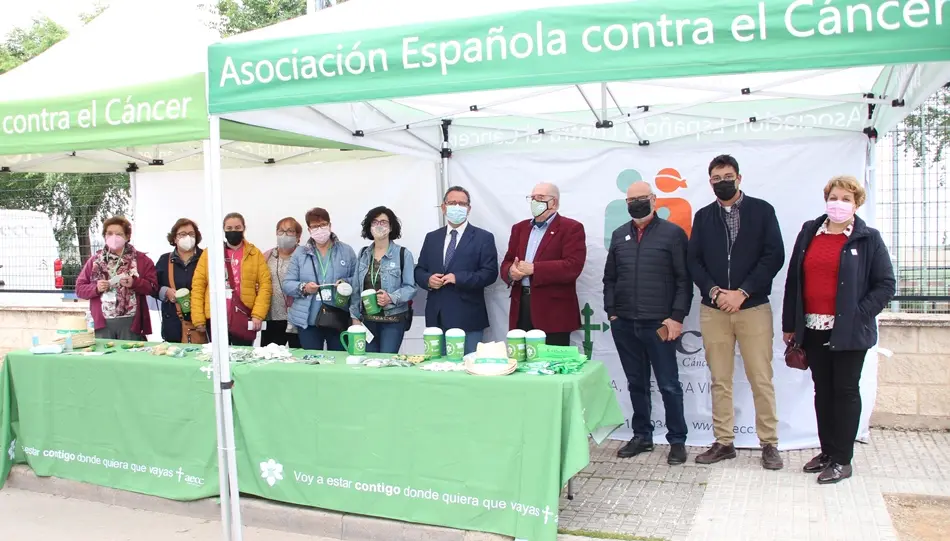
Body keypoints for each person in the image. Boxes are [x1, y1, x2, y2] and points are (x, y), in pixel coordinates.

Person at [782, 175, 895, 484]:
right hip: (813, 328)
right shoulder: (809, 232)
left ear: (857, 203)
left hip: (849, 331)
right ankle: (829, 451)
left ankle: (843, 460)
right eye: (834, 196)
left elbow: (886, 284)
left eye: (847, 198)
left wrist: (859, 314)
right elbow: (794, 279)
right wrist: (790, 325)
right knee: (823, 391)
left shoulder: (868, 238)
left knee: (845, 391)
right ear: (826, 199)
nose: (839, 203)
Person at [687, 154, 785, 470]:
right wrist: (716, 292)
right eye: (716, 178)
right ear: (710, 181)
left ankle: (769, 443)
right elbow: (693, 261)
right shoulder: (703, 217)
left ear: (739, 178)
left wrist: (743, 292)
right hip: (713, 309)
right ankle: (723, 441)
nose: (722, 182)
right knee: (720, 378)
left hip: (752, 307)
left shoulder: (762, 211)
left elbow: (774, 255)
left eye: (727, 176)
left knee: (761, 377)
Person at [604, 181, 692, 465]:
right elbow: (610, 278)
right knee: (636, 383)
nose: (636, 203)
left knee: (668, 384)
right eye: (631, 200)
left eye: (642, 198)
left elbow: (684, 280)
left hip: (659, 323)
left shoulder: (673, 234)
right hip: (625, 322)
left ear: (654, 200)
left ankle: (677, 440)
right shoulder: (619, 235)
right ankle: (642, 435)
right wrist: (612, 311)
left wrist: (677, 317)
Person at [500, 182, 586, 346]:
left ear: (554, 202)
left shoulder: (571, 228)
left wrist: (535, 269)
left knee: (552, 365)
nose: (535, 202)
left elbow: (573, 266)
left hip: (554, 312)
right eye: (532, 198)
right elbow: (508, 261)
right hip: (522, 307)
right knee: (522, 362)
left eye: (540, 198)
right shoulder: (519, 228)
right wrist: (511, 271)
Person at [415, 186, 498, 354]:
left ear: (469, 208)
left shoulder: (483, 238)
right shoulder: (432, 237)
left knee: (468, 369)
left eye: (462, 203)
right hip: (436, 317)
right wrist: (428, 280)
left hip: (468, 317)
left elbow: (490, 274)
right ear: (444, 207)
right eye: (452, 203)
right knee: (437, 368)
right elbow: (419, 269)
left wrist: (458, 278)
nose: (457, 207)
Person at [191, 212, 271, 346]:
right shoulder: (210, 253)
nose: (233, 231)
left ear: (244, 228)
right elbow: (199, 285)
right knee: (218, 360)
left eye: (237, 228)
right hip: (216, 316)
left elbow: (265, 285)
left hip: (243, 314)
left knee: (243, 358)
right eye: (229, 228)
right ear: (223, 230)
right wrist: (198, 319)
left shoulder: (254, 253)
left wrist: (258, 315)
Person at [283, 208, 357, 351]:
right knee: (312, 364)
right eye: (315, 226)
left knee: (337, 364)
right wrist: (303, 288)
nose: (320, 229)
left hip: (338, 317)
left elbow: (358, 281)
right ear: (309, 229)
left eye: (323, 224)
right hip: (308, 320)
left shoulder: (346, 251)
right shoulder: (300, 253)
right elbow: (287, 284)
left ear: (330, 225)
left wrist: (345, 283)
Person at [76, 216, 157, 341]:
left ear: (127, 236)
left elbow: (153, 287)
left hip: (131, 323)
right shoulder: (95, 261)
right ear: (104, 236)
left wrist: (135, 283)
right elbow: (80, 289)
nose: (114, 237)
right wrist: (96, 288)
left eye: (119, 234)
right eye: (109, 233)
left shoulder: (142, 260)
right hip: (102, 323)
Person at [351, 206, 418, 353]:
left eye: (383, 222)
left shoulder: (403, 254)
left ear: (391, 226)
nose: (379, 226)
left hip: (393, 320)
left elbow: (410, 288)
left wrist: (391, 297)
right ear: (369, 227)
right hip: (367, 321)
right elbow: (356, 288)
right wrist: (354, 317)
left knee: (386, 362)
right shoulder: (363, 254)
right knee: (367, 362)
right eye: (375, 222)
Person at [153, 219, 204, 344]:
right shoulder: (165, 260)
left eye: (191, 234)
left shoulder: (206, 257)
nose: (187, 237)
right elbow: (152, 286)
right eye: (182, 234)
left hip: (203, 325)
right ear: (175, 238)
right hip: (173, 325)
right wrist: (165, 292)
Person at [261, 217, 303, 349]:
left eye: (290, 231)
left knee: (297, 359)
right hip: (272, 317)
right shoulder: (267, 256)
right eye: (281, 231)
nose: (284, 235)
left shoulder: (305, 256)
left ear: (298, 236)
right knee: (269, 357)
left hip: (296, 319)